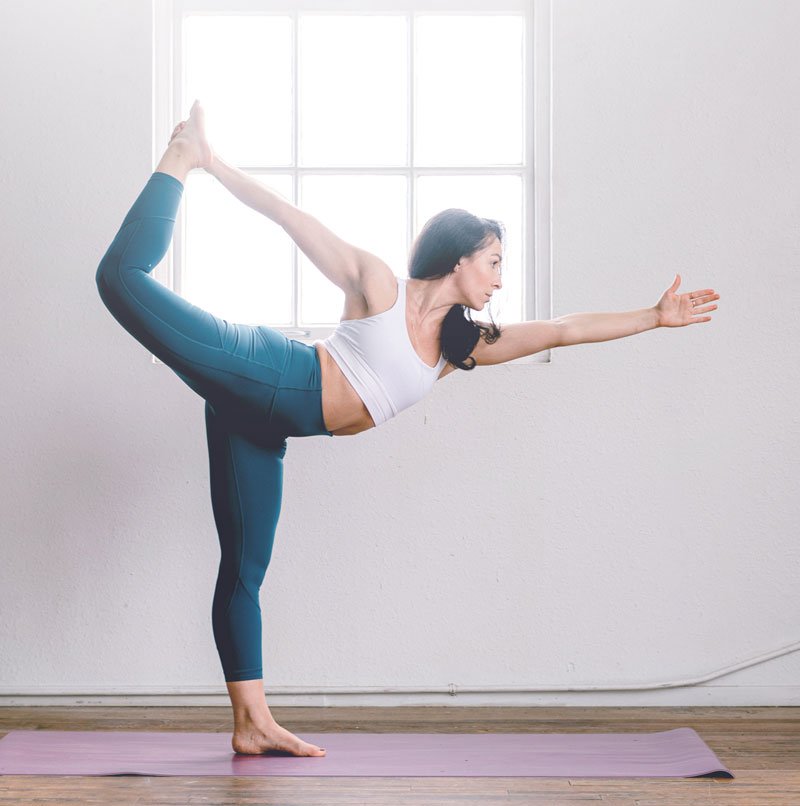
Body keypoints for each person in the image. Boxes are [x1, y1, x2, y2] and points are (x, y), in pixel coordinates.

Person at [96, 100, 720, 758]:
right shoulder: (377, 286)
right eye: (494, 262)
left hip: (263, 423)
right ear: (459, 259)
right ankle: (180, 157)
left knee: (245, 571)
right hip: (270, 372)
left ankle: (251, 723)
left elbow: (563, 329)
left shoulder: (460, 347)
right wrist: (213, 163)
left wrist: (653, 317)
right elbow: (290, 218)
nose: (500, 279)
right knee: (119, 280)